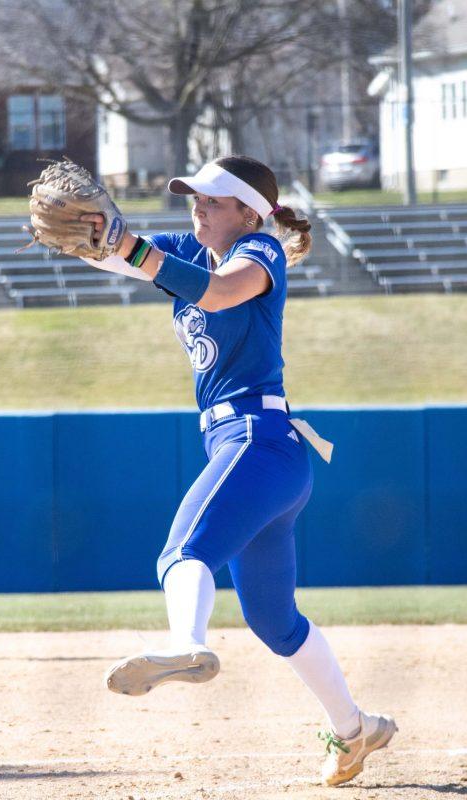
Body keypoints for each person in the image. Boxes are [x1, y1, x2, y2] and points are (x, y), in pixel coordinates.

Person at [85, 156, 396, 787]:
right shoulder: (189, 251)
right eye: (193, 198)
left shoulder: (261, 249)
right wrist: (91, 237)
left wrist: (131, 251)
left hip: (257, 440)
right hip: (258, 456)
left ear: (248, 212)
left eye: (212, 200)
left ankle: (184, 641)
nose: (196, 207)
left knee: (182, 551)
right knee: (272, 620)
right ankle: (353, 729)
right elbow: (120, 257)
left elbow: (223, 293)